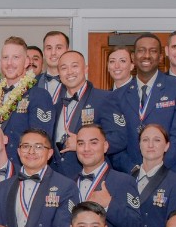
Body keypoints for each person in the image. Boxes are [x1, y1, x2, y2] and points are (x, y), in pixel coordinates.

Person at [0, 128, 77, 227]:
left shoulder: (66, 186)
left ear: (49, 153)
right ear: (18, 151)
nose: (31, 151)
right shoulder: (4, 187)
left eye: (38, 147)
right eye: (25, 146)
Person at [36, 50, 127, 178]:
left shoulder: (105, 98)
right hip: (59, 181)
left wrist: (82, 144)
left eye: (74, 66)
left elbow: (120, 138)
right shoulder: (55, 107)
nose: (69, 72)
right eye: (64, 68)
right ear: (59, 73)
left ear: (85, 69)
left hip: (93, 178)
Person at [111, 34, 176, 172]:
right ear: (133, 57)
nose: (147, 55)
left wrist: (156, 168)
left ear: (161, 57)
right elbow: (115, 142)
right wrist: (133, 169)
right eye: (141, 50)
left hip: (169, 172)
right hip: (130, 176)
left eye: (153, 51)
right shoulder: (117, 96)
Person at [73, 125, 143, 227]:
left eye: (93, 143)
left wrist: (109, 204)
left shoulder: (124, 181)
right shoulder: (69, 184)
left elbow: (135, 226)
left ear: (105, 146)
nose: (86, 148)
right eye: (80, 144)